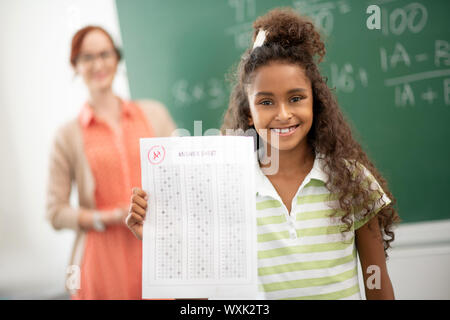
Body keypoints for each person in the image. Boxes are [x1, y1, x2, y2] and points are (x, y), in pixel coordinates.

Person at [126, 8, 400, 300]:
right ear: (248, 113)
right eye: (266, 102)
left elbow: (378, 286)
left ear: (315, 101)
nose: (283, 114)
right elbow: (197, 302)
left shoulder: (353, 181)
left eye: (296, 98)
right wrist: (163, 243)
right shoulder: (224, 188)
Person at [46, 25, 176, 299]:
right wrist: (108, 217)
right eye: (87, 57)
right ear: (76, 65)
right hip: (102, 263)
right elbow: (55, 213)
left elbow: (180, 178)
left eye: (105, 54)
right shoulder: (66, 135)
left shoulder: (155, 114)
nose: (98, 64)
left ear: (117, 58)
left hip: (158, 249)